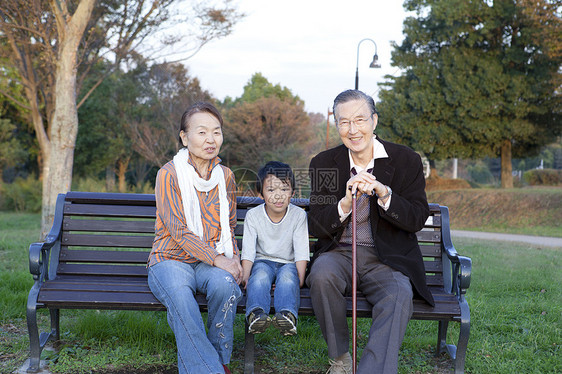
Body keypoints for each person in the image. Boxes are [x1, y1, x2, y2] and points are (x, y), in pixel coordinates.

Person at [307, 90, 435, 374]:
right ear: (337, 126)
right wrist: (343, 204)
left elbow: (416, 217)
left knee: (398, 293)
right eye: (344, 122)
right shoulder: (324, 163)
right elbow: (316, 225)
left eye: (360, 119)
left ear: (374, 121)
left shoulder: (405, 160)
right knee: (321, 275)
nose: (353, 130)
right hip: (339, 253)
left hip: (386, 258)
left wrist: (385, 193)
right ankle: (340, 358)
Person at [147, 102, 242, 374]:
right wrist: (217, 258)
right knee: (181, 299)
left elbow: (230, 224)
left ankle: (217, 357)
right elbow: (176, 230)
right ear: (184, 137)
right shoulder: (169, 174)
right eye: (201, 132)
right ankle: (212, 369)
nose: (211, 139)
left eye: (216, 132)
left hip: (210, 261)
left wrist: (233, 258)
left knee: (227, 285)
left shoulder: (226, 176)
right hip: (169, 259)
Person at [241, 161, 309, 336]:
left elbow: (301, 250)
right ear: (261, 193)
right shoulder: (253, 215)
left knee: (287, 278)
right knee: (260, 277)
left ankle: (287, 316)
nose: (278, 196)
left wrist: (300, 279)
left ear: (292, 193)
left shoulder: (298, 215)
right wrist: (245, 277)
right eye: (271, 190)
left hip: (288, 263)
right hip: (262, 261)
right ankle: (256, 315)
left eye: (284, 189)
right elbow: (248, 250)